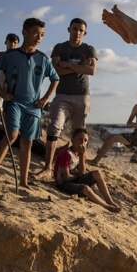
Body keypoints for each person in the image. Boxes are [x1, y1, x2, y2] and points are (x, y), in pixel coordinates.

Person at [0, 18, 59, 188]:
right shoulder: (10, 56)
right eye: (35, 33)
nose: (39, 37)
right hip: (15, 102)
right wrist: (2, 93)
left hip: (34, 107)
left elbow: (55, 79)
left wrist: (45, 98)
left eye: (42, 35)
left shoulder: (43, 58)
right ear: (24, 32)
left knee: (27, 142)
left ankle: (24, 182)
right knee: (11, 135)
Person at [39, 18, 97, 177]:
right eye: (74, 29)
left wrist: (68, 65)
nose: (77, 32)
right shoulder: (59, 48)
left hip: (82, 96)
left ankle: (81, 168)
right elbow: (56, 71)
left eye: (81, 30)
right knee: (54, 127)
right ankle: (47, 168)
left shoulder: (89, 49)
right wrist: (80, 68)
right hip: (62, 95)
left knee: (80, 135)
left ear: (85, 33)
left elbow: (91, 70)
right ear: (69, 29)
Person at [90, 87, 137, 173]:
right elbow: (128, 122)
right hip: (135, 136)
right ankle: (96, 160)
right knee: (112, 138)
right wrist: (135, 124)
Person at [53, 128, 120, 212]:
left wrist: (81, 155)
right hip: (63, 184)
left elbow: (82, 172)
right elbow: (66, 177)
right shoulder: (66, 154)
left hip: (73, 179)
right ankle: (106, 206)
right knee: (85, 188)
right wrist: (78, 175)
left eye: (85, 141)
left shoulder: (80, 153)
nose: (82, 143)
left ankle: (110, 201)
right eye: (80, 139)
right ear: (72, 140)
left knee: (97, 173)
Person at [0, 85, 46, 156]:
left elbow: (3, 119)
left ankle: (46, 150)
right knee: (18, 139)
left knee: (26, 134)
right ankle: (44, 152)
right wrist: (4, 128)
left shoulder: (3, 99)